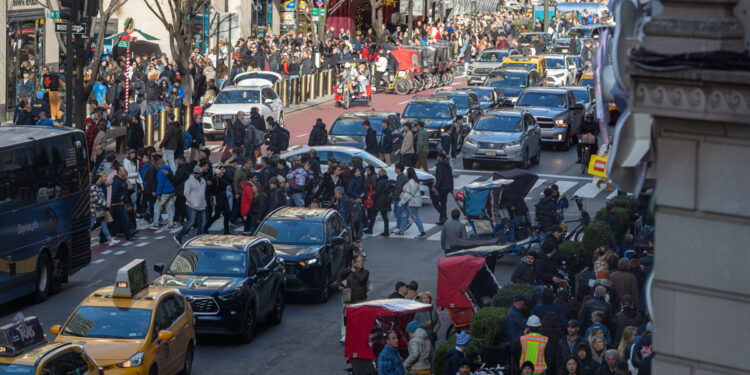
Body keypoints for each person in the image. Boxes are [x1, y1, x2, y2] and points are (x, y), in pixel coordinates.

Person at [337, 255, 369, 342]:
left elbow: (361, 279)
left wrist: (354, 271)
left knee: (360, 317)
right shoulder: (349, 271)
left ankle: (358, 334)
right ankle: (345, 335)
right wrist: (339, 285)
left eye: (362, 261)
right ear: (355, 263)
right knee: (346, 317)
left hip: (360, 298)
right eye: (359, 261)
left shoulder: (365, 272)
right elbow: (340, 275)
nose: (361, 262)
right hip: (347, 295)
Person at [175, 167, 207, 245]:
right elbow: (186, 194)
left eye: (198, 173)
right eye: (195, 173)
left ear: (201, 174)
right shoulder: (189, 182)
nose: (196, 174)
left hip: (202, 205)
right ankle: (178, 237)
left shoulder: (203, 181)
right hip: (192, 206)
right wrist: (193, 203)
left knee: (202, 223)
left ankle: (199, 239)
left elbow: (203, 193)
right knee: (191, 222)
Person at [396, 167, 426, 237]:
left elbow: (409, 194)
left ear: (409, 173)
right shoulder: (411, 181)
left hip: (411, 203)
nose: (405, 174)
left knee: (415, 217)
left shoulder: (412, 182)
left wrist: (401, 202)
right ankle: (401, 230)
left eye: (406, 173)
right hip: (408, 203)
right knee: (404, 216)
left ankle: (422, 231)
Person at [90, 173, 118, 246]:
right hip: (95, 211)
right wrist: (106, 204)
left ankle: (110, 239)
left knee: (103, 224)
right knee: (91, 226)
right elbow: (96, 199)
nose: (100, 181)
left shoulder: (97, 187)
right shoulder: (93, 187)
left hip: (99, 210)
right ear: (96, 180)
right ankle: (84, 239)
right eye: (99, 180)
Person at [205, 166, 232, 234]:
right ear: (217, 171)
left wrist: (227, 188)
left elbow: (226, 184)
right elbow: (213, 190)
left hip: (224, 197)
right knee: (217, 215)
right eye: (221, 169)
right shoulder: (214, 178)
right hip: (218, 197)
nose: (223, 171)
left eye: (223, 169)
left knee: (227, 213)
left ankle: (226, 231)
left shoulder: (222, 178)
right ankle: (205, 227)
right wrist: (214, 199)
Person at [152, 158, 177, 230]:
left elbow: (160, 183)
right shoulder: (169, 169)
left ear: (159, 164)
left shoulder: (161, 171)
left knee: (157, 207)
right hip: (172, 191)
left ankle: (156, 223)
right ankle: (170, 224)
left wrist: (158, 194)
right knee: (170, 208)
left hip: (164, 193)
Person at [110, 167, 134, 241]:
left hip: (119, 204)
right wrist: (120, 199)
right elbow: (114, 193)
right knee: (124, 219)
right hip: (118, 204)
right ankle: (128, 236)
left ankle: (105, 236)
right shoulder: (117, 181)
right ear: (119, 172)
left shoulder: (122, 181)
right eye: (123, 170)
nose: (125, 171)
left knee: (112, 221)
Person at [368, 169, 392, 236]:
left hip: (379, 201)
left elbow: (377, 192)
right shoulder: (388, 181)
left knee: (373, 216)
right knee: (385, 217)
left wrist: (372, 196)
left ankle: (370, 230)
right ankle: (386, 231)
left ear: (380, 174)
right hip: (386, 201)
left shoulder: (379, 182)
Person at [432, 152, 453, 225]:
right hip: (447, 187)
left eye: (438, 156)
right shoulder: (448, 165)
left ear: (441, 158)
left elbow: (440, 178)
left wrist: (435, 187)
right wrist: (451, 188)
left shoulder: (440, 166)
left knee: (435, 202)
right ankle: (442, 219)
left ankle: (443, 216)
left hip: (441, 188)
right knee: (443, 203)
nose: (437, 157)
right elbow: (451, 177)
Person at [507, 295, 527, 363]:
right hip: (517, 345)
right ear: (520, 302)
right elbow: (526, 325)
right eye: (523, 303)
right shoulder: (515, 314)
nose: (523, 305)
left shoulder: (512, 311)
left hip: (515, 344)